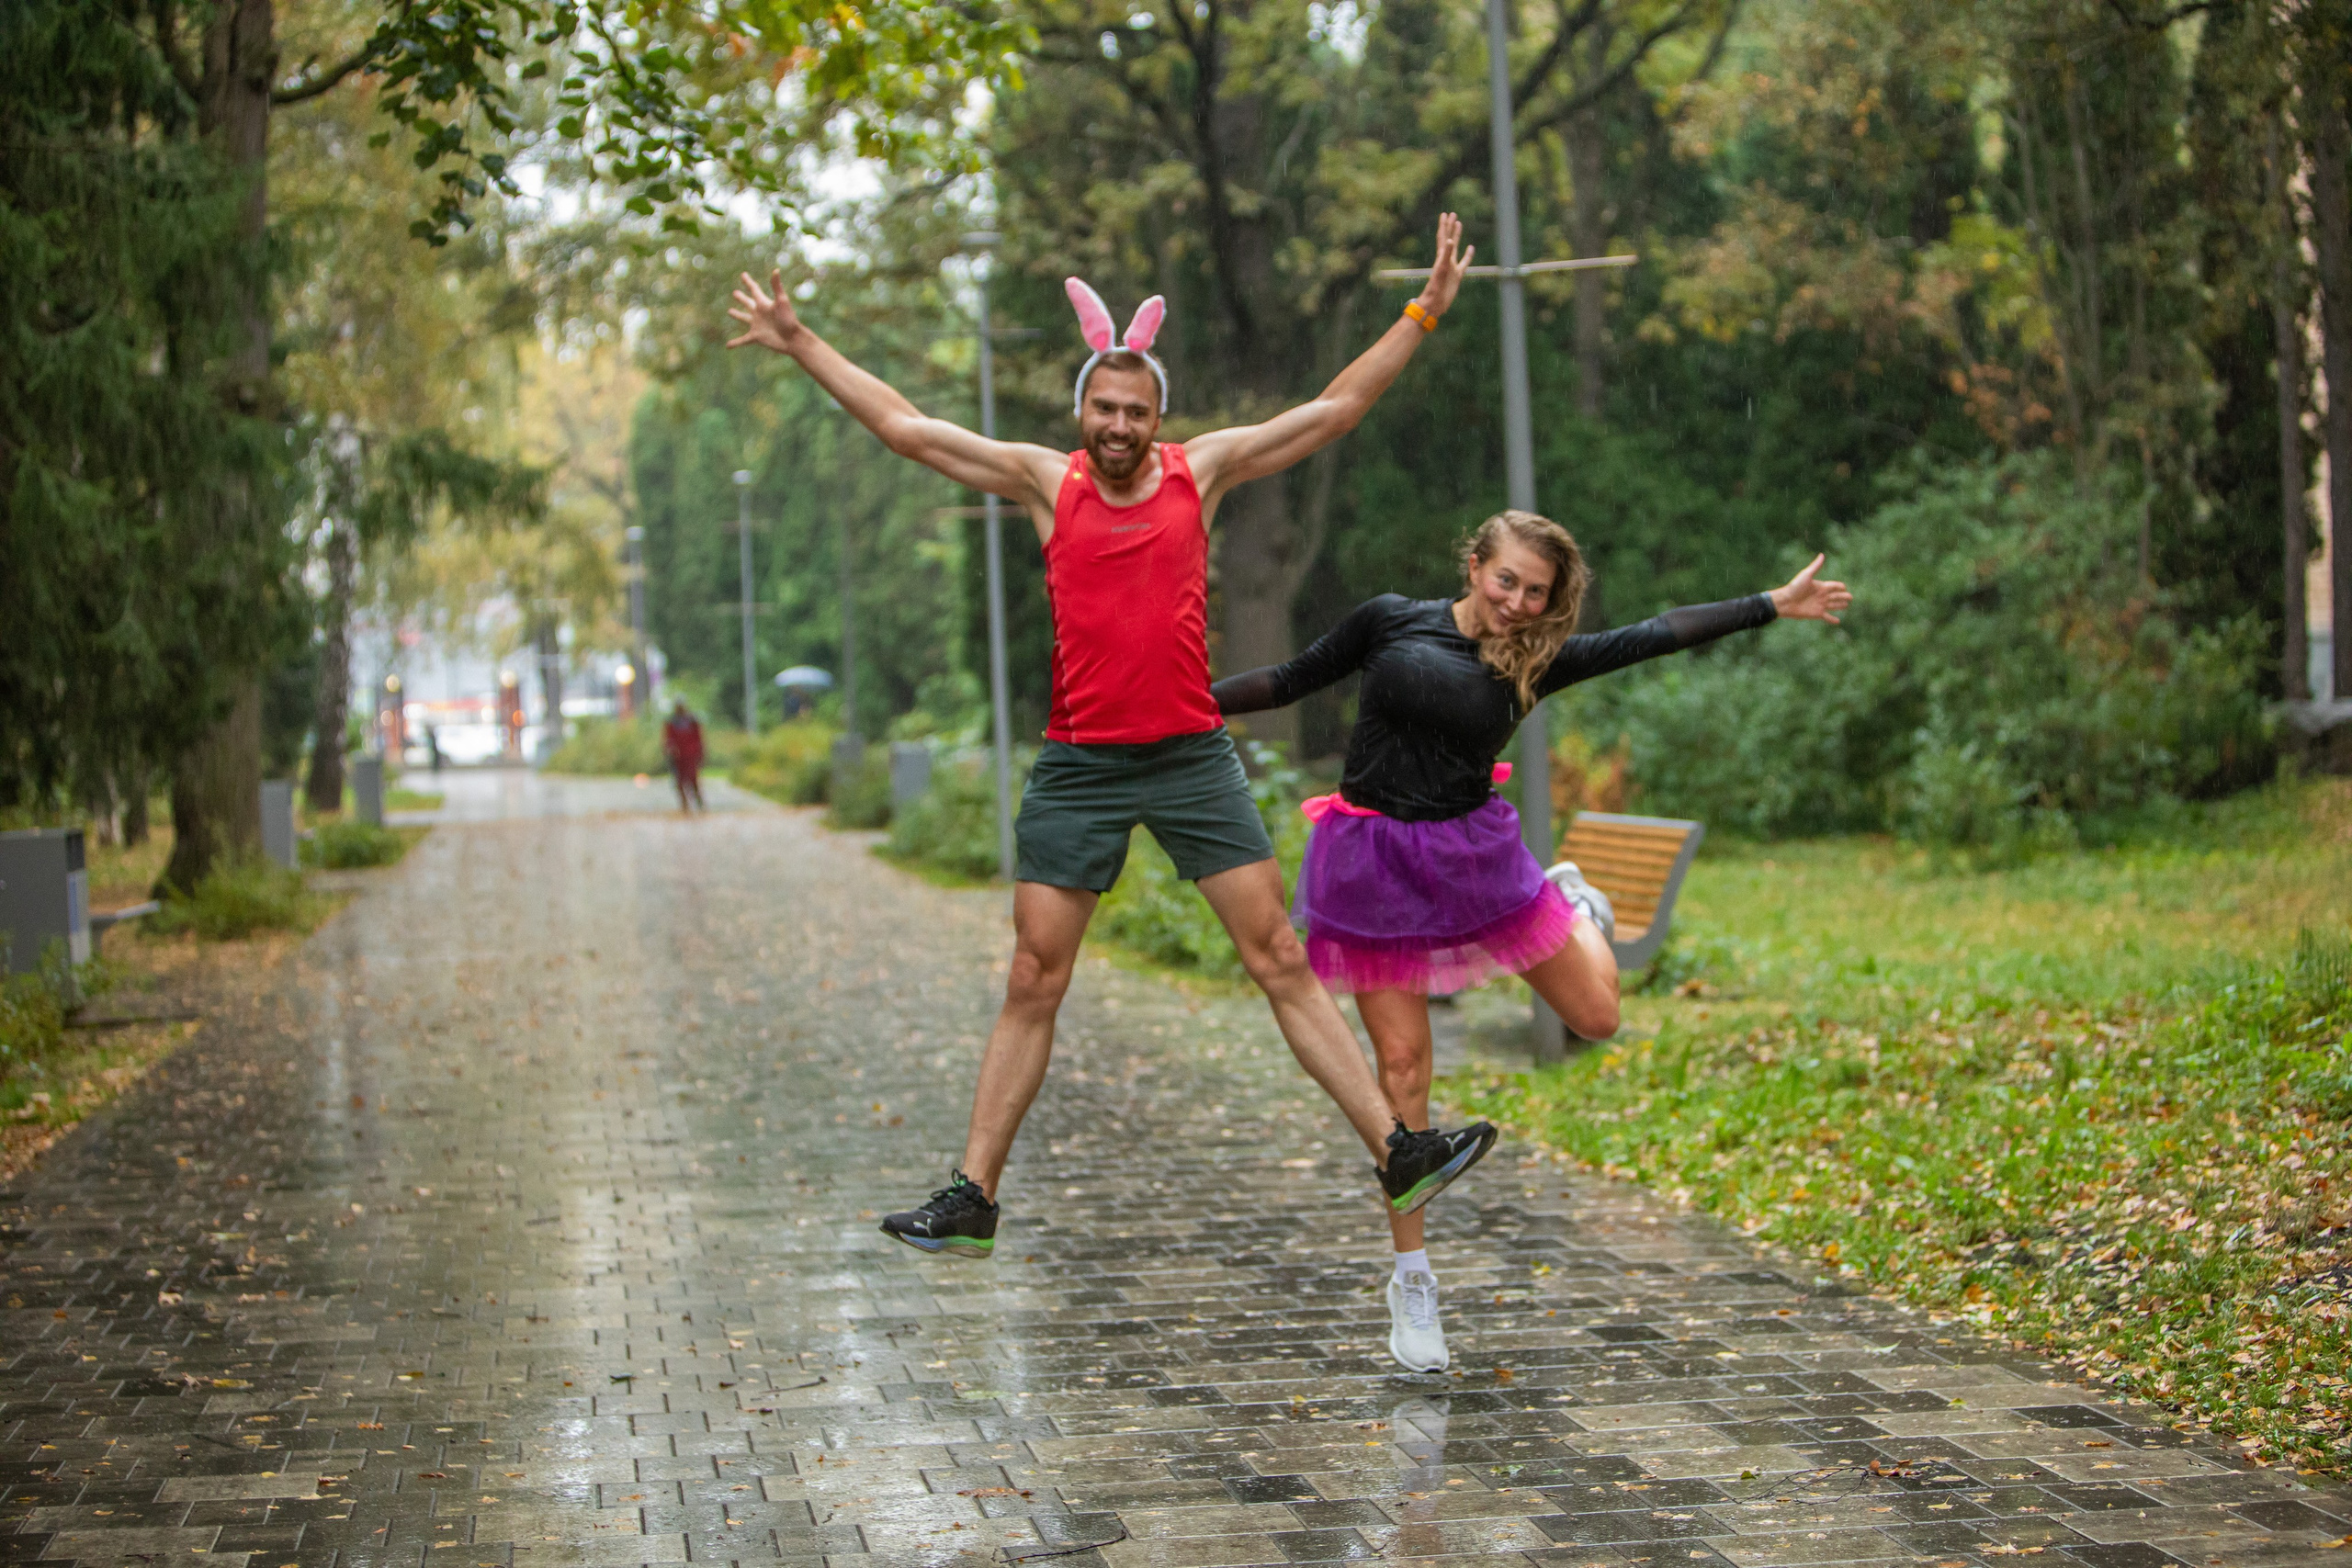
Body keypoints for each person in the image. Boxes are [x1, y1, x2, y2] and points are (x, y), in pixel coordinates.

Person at [728, 216, 1501, 1259]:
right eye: (1105, 407)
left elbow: (1336, 407)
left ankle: (1396, 1147)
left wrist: (1421, 313)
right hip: (1080, 763)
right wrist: (802, 341)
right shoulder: (1047, 483)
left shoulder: (1203, 472)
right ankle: (973, 1197)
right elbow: (908, 429)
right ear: (1081, 409)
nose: (1121, 425)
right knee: (1032, 976)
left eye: (1137, 410)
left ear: (1157, 415)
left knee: (1276, 952)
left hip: (1189, 753)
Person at [1213, 511, 1852, 1371]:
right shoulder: (1390, 619)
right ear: (1474, 563)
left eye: (1536, 591)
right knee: (1401, 1073)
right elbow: (1291, 678)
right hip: (1371, 864)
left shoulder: (1538, 659)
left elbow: (1654, 636)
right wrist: (1183, 704)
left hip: (1474, 859)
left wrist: (1770, 604)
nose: (1517, 601)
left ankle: (1572, 900)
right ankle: (1414, 1281)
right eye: (1505, 578)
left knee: (1598, 1017)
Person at [662, 702, 706, 813]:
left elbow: (699, 738)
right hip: (678, 757)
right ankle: (685, 804)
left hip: (690, 755)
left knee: (693, 780)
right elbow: (668, 739)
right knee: (680, 781)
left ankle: (698, 801)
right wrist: (669, 750)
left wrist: (700, 753)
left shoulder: (692, 721)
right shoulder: (672, 722)